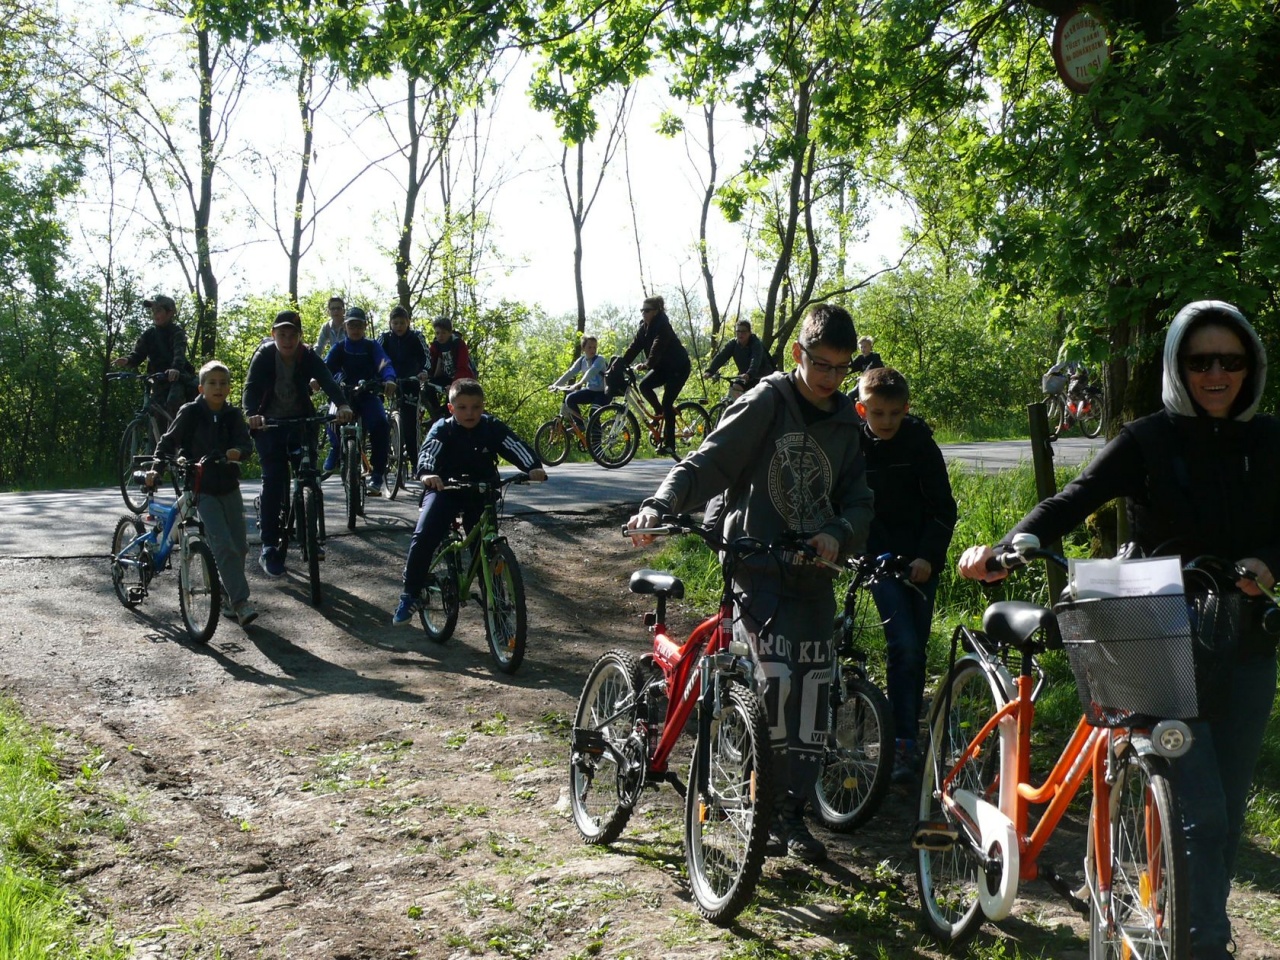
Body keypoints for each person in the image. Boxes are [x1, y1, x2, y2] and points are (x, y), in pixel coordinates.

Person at [958, 300, 1280, 960]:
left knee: (1221, 820)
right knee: (1203, 812)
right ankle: (1204, 948)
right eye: (1200, 361)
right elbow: (1072, 500)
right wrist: (1008, 546)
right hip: (1157, 636)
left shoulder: (1272, 441)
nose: (1217, 374)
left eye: (1231, 361)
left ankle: (1178, 925)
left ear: (1251, 368)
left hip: (1246, 643)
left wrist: (1270, 565)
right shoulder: (1148, 439)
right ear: (1177, 367)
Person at [628, 303, 874, 863]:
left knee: (813, 699)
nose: (829, 378)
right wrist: (660, 502)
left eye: (840, 368)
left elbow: (860, 501)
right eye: (820, 364)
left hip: (814, 579)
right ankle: (747, 800)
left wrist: (839, 531)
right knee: (773, 685)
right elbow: (709, 463)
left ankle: (788, 814)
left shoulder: (846, 423)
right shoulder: (770, 400)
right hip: (756, 570)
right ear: (798, 354)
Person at [855, 367, 957, 784]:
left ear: (906, 409)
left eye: (895, 414)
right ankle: (900, 741)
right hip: (878, 558)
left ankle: (908, 739)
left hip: (919, 561)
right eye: (877, 414)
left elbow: (942, 508)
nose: (886, 423)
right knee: (903, 645)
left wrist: (928, 557)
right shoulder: (852, 444)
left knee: (914, 651)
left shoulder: (919, 443)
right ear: (862, 409)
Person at [392, 378, 546, 625]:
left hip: (481, 491)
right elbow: (428, 451)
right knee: (424, 534)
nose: (470, 412)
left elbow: (514, 446)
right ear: (451, 408)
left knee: (486, 549)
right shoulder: (443, 428)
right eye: (462, 407)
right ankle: (410, 594)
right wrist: (427, 473)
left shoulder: (491, 427)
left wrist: (533, 467)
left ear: (483, 406)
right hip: (444, 489)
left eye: (475, 406)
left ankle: (496, 605)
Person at [243, 311, 353, 578]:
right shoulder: (265, 355)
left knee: (309, 479)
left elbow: (326, 379)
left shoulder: (307, 355)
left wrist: (342, 404)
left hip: (302, 422)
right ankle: (269, 545)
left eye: (293, 334)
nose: (288, 339)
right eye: (282, 334)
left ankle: (310, 538)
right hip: (269, 424)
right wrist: (250, 414)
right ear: (274, 335)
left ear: (300, 337)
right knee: (273, 478)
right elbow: (251, 388)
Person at [151, 361, 258, 627]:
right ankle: (241, 603)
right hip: (201, 487)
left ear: (230, 388)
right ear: (201, 387)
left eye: (223, 383)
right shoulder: (190, 412)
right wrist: (157, 468)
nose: (218, 388)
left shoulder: (233, 415)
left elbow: (246, 445)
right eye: (212, 383)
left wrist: (238, 452)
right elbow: (168, 441)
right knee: (222, 544)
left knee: (240, 546)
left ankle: (228, 595)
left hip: (229, 486)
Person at [324, 306, 397, 496]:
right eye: (351, 325)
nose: (355, 329)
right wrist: (316, 380)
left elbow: (384, 363)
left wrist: (389, 378)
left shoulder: (372, 346)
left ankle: (377, 475)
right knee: (331, 417)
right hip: (344, 396)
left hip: (368, 393)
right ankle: (336, 448)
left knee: (381, 424)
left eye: (359, 325)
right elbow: (325, 368)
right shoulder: (339, 348)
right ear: (345, 327)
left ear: (364, 327)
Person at [616, 295, 691, 458]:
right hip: (663, 368)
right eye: (642, 310)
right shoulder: (644, 328)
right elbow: (634, 346)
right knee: (644, 386)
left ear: (656, 312)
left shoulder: (663, 326)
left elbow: (658, 345)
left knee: (667, 401)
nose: (643, 313)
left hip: (679, 367)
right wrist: (620, 363)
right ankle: (659, 411)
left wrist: (648, 363)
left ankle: (670, 444)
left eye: (647, 311)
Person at [112, 294, 197, 418]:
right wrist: (127, 360)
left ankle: (179, 433)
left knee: (173, 402)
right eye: (153, 311)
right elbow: (138, 354)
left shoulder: (177, 332)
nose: (154, 314)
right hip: (158, 380)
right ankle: (156, 436)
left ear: (170, 312)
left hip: (176, 378)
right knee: (155, 410)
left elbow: (179, 353)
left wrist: (176, 369)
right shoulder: (149, 334)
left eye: (158, 311)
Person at [379, 304, 430, 468]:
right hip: (389, 382)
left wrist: (424, 371)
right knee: (382, 421)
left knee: (410, 425)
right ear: (390, 323)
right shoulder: (385, 338)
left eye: (402, 323)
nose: (398, 326)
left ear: (408, 322)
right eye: (395, 323)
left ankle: (417, 465)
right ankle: (382, 461)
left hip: (411, 382)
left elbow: (426, 357)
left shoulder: (416, 337)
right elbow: (376, 357)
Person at [705, 319, 775, 402]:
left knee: (756, 401)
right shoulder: (733, 344)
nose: (740, 334)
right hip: (745, 376)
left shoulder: (756, 344)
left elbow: (755, 360)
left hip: (761, 376)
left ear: (749, 333)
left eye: (744, 331)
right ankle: (737, 410)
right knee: (735, 388)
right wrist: (710, 371)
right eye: (738, 331)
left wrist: (749, 374)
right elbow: (721, 356)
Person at [548, 335, 608, 428]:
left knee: (593, 416)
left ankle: (596, 442)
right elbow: (570, 372)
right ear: (583, 348)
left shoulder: (599, 359)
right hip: (591, 391)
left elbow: (591, 371)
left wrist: (580, 383)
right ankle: (580, 425)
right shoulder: (581, 361)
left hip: (603, 393)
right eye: (589, 347)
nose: (593, 350)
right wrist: (555, 385)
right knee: (570, 399)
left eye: (594, 347)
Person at [425, 316, 477, 419]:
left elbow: (463, 367)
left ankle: (447, 415)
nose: (440, 336)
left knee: (453, 397)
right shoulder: (436, 345)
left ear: (450, 332)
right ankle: (436, 414)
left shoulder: (459, 344)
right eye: (437, 333)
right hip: (446, 378)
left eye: (444, 333)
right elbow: (429, 361)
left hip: (463, 378)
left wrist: (454, 384)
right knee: (428, 386)